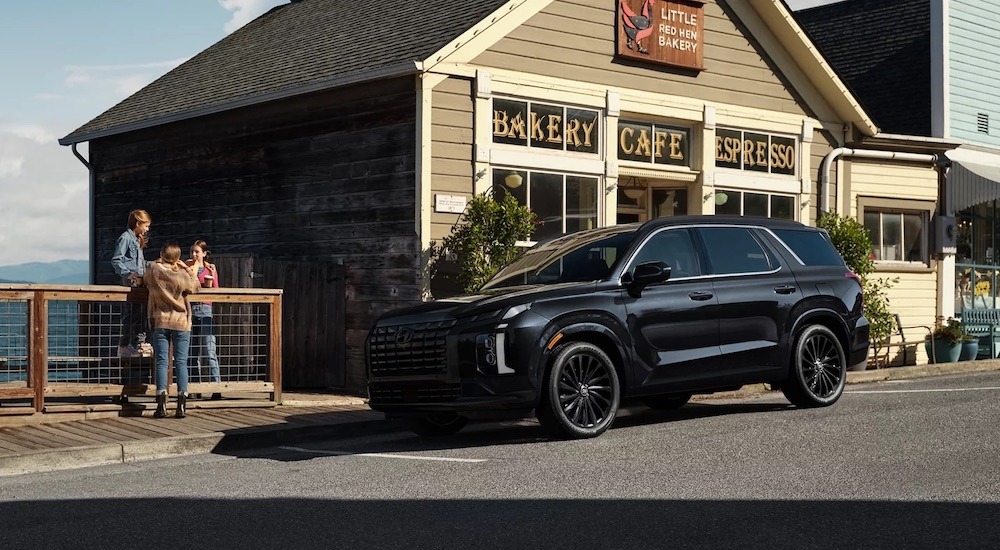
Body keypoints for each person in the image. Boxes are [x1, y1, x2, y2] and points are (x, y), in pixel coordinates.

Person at [145, 241, 200, 418]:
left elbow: (145, 279)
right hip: (181, 322)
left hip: (161, 320)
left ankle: (161, 404)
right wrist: (187, 267)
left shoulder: (154, 269)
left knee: (162, 362)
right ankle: (181, 404)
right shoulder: (182, 274)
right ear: (177, 257)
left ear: (162, 253)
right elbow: (195, 286)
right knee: (181, 362)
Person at [111, 209, 153, 358]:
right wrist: (128, 275)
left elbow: (140, 263)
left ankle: (138, 344)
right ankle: (125, 346)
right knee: (130, 315)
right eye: (146, 226)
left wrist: (154, 265)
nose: (147, 229)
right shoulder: (125, 238)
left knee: (140, 314)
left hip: (140, 284)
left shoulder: (137, 239)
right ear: (138, 223)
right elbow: (116, 260)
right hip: (130, 283)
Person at [187, 239, 222, 400]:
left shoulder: (210, 269)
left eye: (197, 252)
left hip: (205, 309)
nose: (194, 254)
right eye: (192, 251)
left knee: (209, 350)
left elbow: (216, 290)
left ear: (204, 254)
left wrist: (210, 280)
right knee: (191, 353)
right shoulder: (186, 268)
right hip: (190, 310)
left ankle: (216, 388)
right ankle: (195, 388)